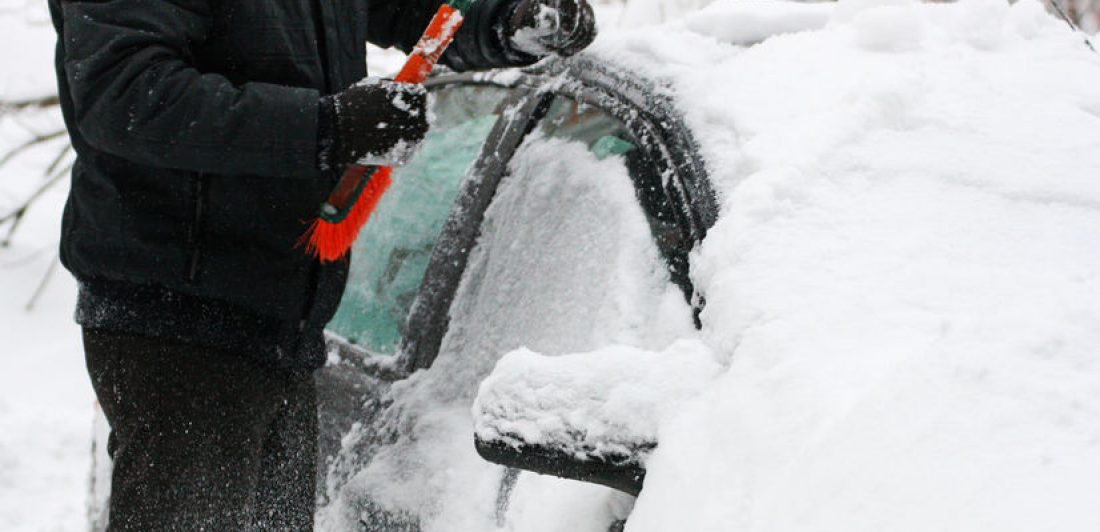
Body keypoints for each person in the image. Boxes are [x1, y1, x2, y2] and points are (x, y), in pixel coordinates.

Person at [47, 0, 595, 529]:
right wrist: (326, 127)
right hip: (177, 316)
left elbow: (406, 7)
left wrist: (504, 22)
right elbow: (126, 94)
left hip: (281, 316)